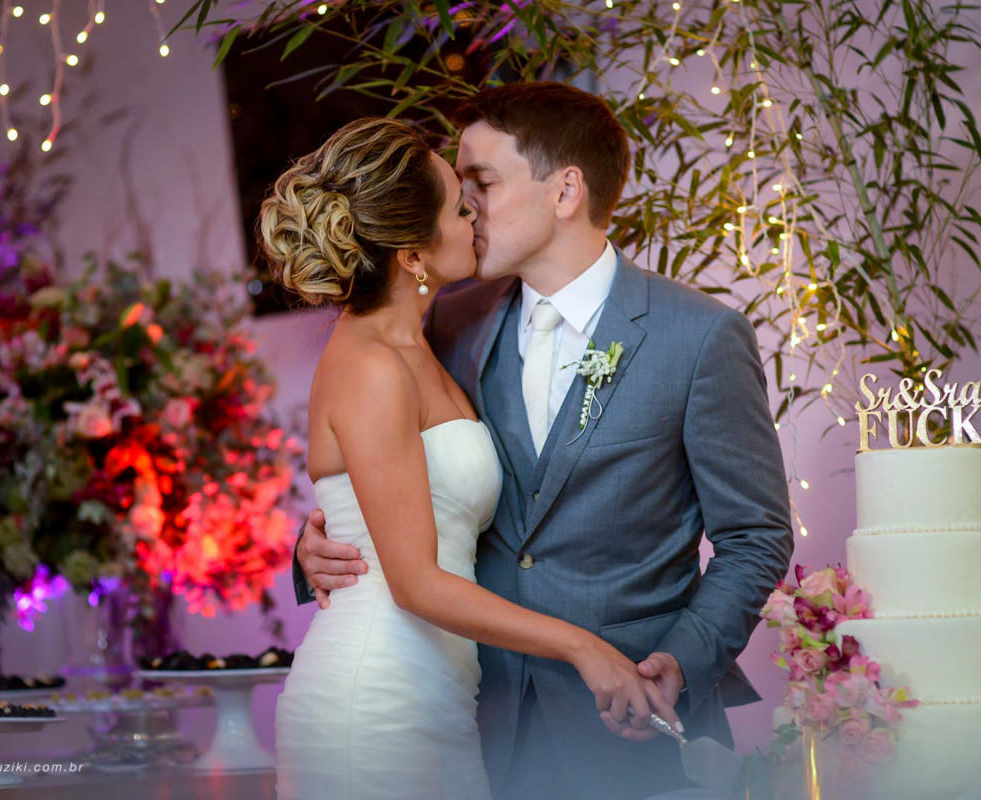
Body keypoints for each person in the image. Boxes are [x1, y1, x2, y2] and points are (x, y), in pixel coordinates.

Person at [295, 82, 794, 800]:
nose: (465, 207)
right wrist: (317, 545)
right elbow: (379, 470)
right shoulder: (447, 325)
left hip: (629, 729)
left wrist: (679, 664)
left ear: (565, 192)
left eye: (483, 183)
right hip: (481, 719)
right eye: (459, 189)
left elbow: (754, 536)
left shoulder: (700, 338)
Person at [262, 116, 678, 800]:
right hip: (376, 708)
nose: (475, 214)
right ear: (411, 255)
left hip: (444, 701)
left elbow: (398, 497)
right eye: (460, 204)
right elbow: (414, 582)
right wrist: (583, 646)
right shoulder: (370, 364)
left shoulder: (439, 338)